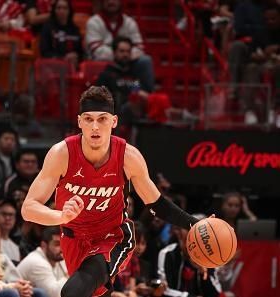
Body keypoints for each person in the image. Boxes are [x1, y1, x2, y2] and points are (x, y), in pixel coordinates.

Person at [21, 86, 201, 297]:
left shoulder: (128, 157)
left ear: (114, 121)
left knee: (72, 292)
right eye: (88, 119)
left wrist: (194, 224)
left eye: (102, 119)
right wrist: (61, 216)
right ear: (79, 122)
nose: (95, 126)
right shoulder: (61, 154)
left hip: (113, 237)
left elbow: (156, 203)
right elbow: (28, 209)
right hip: (73, 239)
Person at [16, 226, 68, 297]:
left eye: (63, 243)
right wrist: (71, 273)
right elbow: (54, 294)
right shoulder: (37, 262)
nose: (62, 249)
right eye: (57, 244)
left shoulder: (58, 259)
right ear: (44, 245)